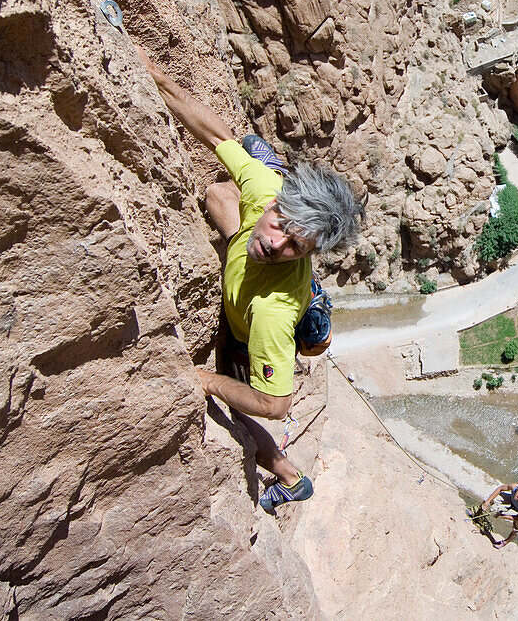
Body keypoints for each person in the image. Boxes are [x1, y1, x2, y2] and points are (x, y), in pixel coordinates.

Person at [139, 50, 365, 513]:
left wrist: (206, 379)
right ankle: (267, 164)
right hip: (261, 229)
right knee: (219, 191)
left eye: (295, 246)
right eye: (282, 223)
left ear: (308, 254)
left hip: (251, 330)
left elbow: (276, 404)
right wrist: (151, 73)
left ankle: (291, 477)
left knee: (240, 415)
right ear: (279, 202)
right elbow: (216, 132)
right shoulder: (266, 192)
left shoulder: (272, 314)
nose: (276, 243)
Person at [481, 482, 518, 548]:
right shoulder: (514, 486)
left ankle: (505, 542)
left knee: (517, 527)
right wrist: (487, 502)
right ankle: (478, 512)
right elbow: (500, 489)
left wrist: (502, 515)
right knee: (491, 498)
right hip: (512, 500)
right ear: (517, 489)